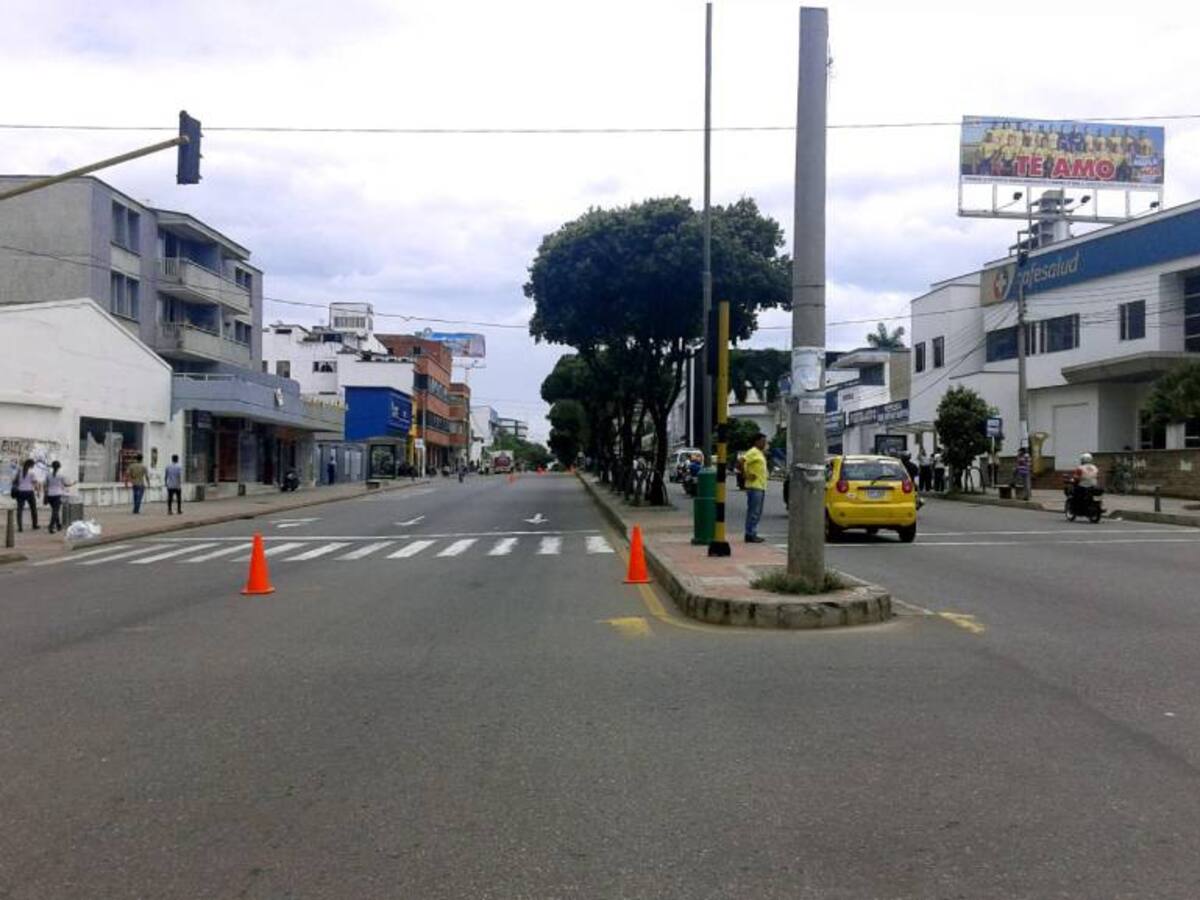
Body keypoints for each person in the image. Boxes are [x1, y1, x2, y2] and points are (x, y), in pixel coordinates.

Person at [742, 432, 769, 543]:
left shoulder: (760, 453)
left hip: (761, 486)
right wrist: (745, 474)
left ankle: (752, 532)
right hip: (754, 486)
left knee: (757, 511)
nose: (765, 443)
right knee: (754, 511)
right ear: (756, 442)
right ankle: (750, 534)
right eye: (763, 441)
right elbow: (741, 461)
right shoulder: (753, 452)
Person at [14, 459, 40, 531]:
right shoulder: (31, 472)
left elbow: (14, 481)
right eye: (33, 465)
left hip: (20, 492)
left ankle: (20, 527)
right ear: (30, 465)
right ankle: (34, 525)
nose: (33, 466)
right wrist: (38, 492)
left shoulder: (19, 471)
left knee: (19, 510)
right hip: (29, 492)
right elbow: (35, 483)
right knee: (33, 509)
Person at [45, 460, 68, 533]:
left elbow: (46, 485)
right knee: (55, 511)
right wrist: (73, 483)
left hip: (50, 495)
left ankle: (58, 525)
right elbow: (65, 484)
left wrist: (45, 495)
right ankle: (51, 526)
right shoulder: (61, 475)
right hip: (57, 494)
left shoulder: (48, 475)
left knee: (55, 511)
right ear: (59, 467)